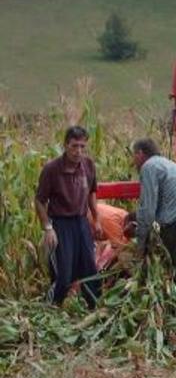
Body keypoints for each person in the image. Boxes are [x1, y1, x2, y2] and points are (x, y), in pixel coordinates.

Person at [127, 138, 176, 314]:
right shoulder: (173, 166)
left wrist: (140, 246)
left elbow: (147, 210)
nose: (133, 161)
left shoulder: (149, 167)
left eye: (134, 155)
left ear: (140, 153)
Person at [35, 126, 103, 308]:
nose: (78, 151)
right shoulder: (52, 169)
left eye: (82, 146)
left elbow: (92, 193)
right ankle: (50, 310)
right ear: (65, 145)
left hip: (81, 222)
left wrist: (96, 219)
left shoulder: (88, 165)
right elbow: (40, 200)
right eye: (74, 146)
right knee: (63, 276)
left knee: (90, 271)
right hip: (60, 224)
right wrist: (48, 228)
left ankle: (94, 310)